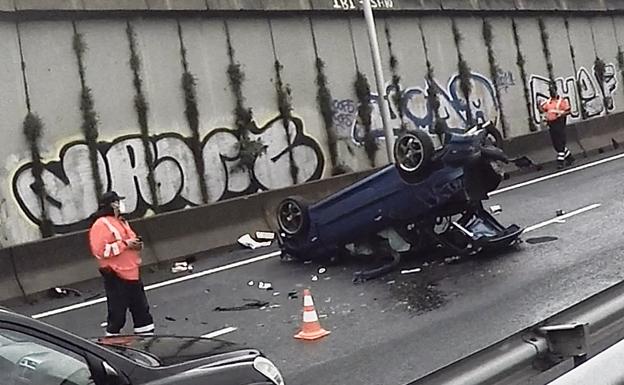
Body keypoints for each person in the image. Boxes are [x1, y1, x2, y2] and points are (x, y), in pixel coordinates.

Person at [88, 191, 154, 336]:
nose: (121, 205)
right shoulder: (101, 225)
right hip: (116, 275)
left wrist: (136, 245)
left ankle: (148, 341)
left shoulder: (122, 221)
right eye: (118, 202)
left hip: (133, 273)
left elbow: (131, 239)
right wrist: (125, 244)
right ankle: (112, 344)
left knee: (142, 312)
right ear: (113, 204)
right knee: (117, 315)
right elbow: (101, 251)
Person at [539, 85, 574, 169]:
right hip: (551, 124)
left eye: (552, 91)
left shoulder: (561, 101)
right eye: (550, 91)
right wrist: (539, 106)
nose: (551, 92)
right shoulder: (548, 102)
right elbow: (543, 110)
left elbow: (568, 111)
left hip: (559, 122)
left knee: (560, 141)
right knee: (555, 143)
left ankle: (560, 161)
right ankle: (569, 157)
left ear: (556, 91)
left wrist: (561, 114)